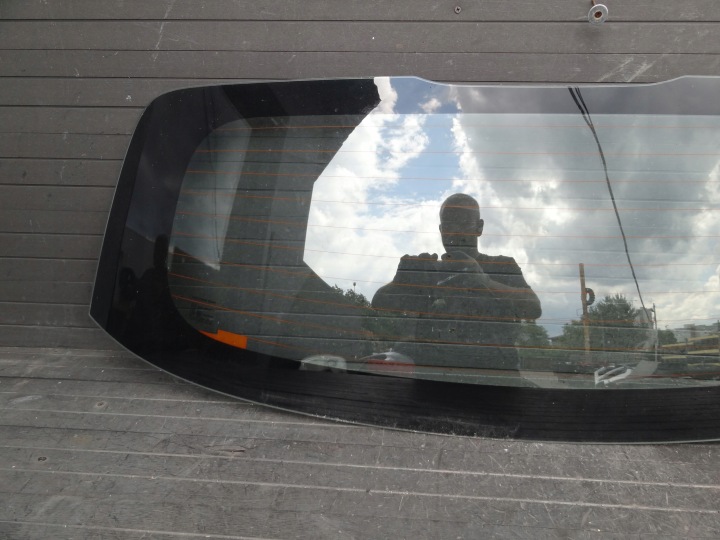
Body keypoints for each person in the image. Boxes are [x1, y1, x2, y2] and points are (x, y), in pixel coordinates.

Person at [370, 193, 541, 371]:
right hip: (431, 376)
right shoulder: (430, 272)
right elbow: (378, 304)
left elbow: (534, 308)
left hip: (494, 378)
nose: (455, 232)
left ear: (479, 227)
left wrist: (484, 281)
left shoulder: (502, 266)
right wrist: (399, 283)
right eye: (448, 225)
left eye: (464, 223)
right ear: (441, 230)